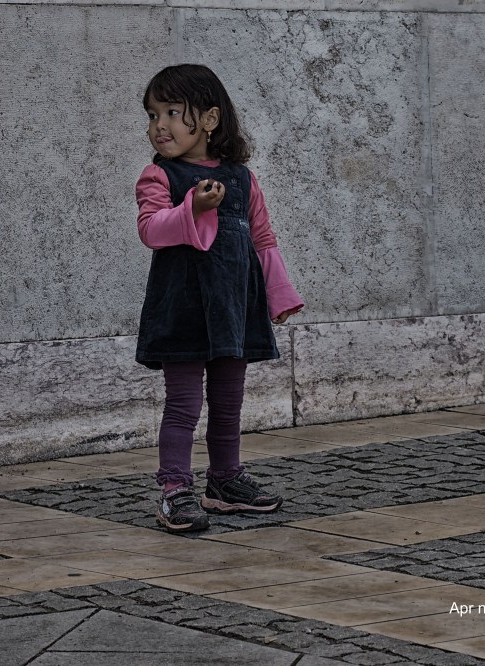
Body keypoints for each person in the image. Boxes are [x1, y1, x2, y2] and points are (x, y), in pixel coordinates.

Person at [135, 64, 304, 533]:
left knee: (229, 403)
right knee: (183, 405)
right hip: (183, 311)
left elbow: (262, 240)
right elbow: (151, 230)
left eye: (172, 112)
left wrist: (278, 295)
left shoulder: (242, 179)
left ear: (209, 119)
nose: (160, 125)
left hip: (234, 310)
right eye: (152, 115)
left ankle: (225, 481)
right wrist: (192, 207)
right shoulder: (159, 176)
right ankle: (174, 489)